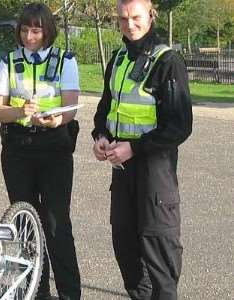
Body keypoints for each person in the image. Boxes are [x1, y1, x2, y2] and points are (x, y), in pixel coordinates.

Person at [91, 0, 193, 299]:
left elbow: (179, 125)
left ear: (151, 15)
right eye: (123, 18)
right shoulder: (119, 58)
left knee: (159, 252)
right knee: (126, 248)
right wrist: (100, 137)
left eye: (135, 17)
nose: (129, 24)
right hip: (122, 172)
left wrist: (134, 148)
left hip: (154, 172)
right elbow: (105, 110)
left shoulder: (167, 61)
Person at [0, 3, 81, 299]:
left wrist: (57, 119)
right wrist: (18, 112)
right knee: (26, 222)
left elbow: (70, 107)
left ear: (47, 31)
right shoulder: (9, 61)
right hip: (18, 150)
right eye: (25, 30)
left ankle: (69, 293)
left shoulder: (65, 60)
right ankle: (35, 292)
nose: (30, 36)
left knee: (56, 224)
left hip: (54, 148)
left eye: (36, 30)